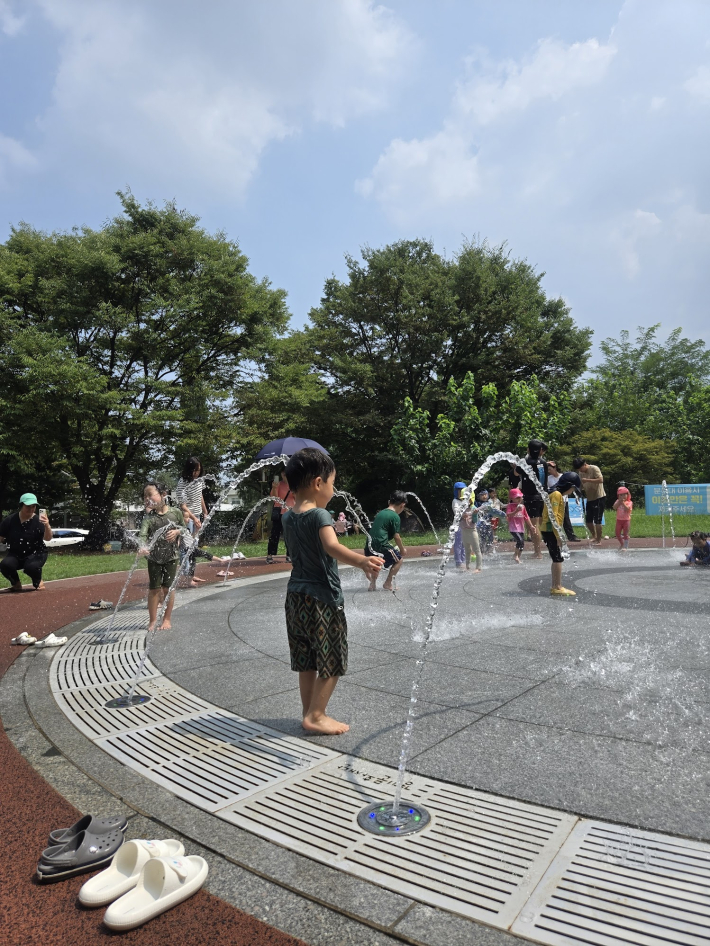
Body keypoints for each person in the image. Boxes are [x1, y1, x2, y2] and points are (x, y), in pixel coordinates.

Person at [281, 448, 382, 735]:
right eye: (332, 482)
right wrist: (362, 560)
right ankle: (316, 714)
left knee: (307, 659)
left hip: (295, 596)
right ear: (317, 483)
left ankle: (308, 711)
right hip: (322, 599)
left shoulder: (288, 518)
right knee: (333, 657)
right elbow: (331, 547)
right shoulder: (320, 515)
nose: (334, 489)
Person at [138, 483, 188, 631]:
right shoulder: (149, 517)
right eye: (145, 496)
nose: (147, 499)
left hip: (171, 557)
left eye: (150, 494)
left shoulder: (175, 512)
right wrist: (142, 546)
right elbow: (142, 534)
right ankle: (153, 620)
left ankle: (166, 619)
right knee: (154, 589)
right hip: (154, 558)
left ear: (163, 495)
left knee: (168, 588)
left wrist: (177, 532)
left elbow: (184, 528)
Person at [0, 493, 52, 591]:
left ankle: (38, 580)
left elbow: (48, 538)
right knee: (5, 565)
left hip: (37, 553)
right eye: (28, 506)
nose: (31, 509)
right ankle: (16, 584)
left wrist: (47, 525)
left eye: (33, 506)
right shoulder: (10, 520)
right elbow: (1, 537)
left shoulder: (39, 521)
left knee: (31, 567)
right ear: (21, 506)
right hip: (16, 553)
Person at [540, 472, 581, 596]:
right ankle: (557, 587)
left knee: (556, 558)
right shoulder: (556, 494)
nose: (572, 491)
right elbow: (554, 517)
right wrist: (559, 536)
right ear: (568, 485)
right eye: (573, 489)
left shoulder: (555, 493)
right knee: (558, 558)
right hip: (549, 530)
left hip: (549, 530)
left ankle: (555, 586)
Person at [510, 439, 549, 559]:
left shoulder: (526, 462)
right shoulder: (544, 462)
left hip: (531, 496)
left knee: (533, 525)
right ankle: (538, 551)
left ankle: (538, 552)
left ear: (528, 449)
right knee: (537, 524)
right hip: (541, 496)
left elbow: (516, 473)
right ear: (541, 450)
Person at [176, 457, 209, 584]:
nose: (197, 473)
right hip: (188, 518)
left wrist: (205, 512)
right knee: (186, 548)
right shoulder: (182, 482)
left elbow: (200, 496)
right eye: (194, 470)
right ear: (188, 470)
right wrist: (194, 518)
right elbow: (182, 505)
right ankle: (187, 577)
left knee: (194, 547)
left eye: (199, 470)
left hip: (197, 517)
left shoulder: (199, 480)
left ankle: (191, 575)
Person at [368, 490, 407, 591]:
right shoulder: (395, 516)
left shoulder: (381, 512)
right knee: (399, 560)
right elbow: (396, 536)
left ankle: (372, 584)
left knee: (376, 562)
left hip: (369, 544)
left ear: (389, 502)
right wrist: (402, 550)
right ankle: (388, 583)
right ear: (402, 505)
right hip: (381, 544)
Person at [573, 457, 606, 546]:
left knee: (597, 521)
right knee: (588, 521)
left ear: (585, 464)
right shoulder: (580, 472)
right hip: (590, 498)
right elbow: (580, 485)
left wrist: (587, 480)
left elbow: (601, 480)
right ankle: (594, 536)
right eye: (578, 469)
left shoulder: (594, 468)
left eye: (581, 468)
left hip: (599, 497)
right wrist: (578, 496)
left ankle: (599, 540)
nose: (580, 470)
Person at [547, 460, 580, 543]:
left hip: (564, 501)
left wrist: (577, 498)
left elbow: (573, 489)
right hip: (554, 501)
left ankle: (570, 536)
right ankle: (555, 536)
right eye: (548, 470)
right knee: (554, 517)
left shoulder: (563, 476)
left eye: (550, 469)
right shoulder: (548, 479)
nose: (549, 471)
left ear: (555, 468)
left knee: (565, 519)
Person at [267, 471, 295, 564]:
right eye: (283, 474)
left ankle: (289, 555)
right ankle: (270, 555)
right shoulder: (279, 484)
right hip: (279, 511)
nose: (285, 476)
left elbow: (297, 497)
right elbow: (274, 498)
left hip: (290, 511)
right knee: (275, 534)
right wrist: (274, 488)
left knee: (290, 534)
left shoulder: (295, 484)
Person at [505, 488, 538, 564]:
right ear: (512, 498)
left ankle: (518, 557)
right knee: (519, 540)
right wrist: (516, 511)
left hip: (521, 528)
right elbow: (508, 515)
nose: (519, 499)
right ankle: (515, 555)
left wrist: (531, 526)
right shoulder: (510, 506)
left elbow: (526, 517)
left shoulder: (522, 506)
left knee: (522, 544)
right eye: (517, 498)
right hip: (513, 528)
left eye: (520, 497)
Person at [460, 502, 482, 572]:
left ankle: (478, 568)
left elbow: (475, 521)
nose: (465, 501)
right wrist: (461, 516)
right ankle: (467, 566)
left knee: (477, 550)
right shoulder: (461, 508)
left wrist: (475, 514)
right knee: (467, 550)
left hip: (472, 531)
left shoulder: (473, 508)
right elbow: (457, 519)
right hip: (464, 531)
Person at [474, 489, 495, 554]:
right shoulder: (477, 503)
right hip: (480, 524)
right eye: (482, 495)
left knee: (491, 538)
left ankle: (487, 550)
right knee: (482, 538)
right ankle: (482, 551)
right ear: (478, 496)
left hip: (488, 523)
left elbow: (491, 512)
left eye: (485, 494)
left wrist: (493, 516)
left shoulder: (489, 503)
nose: (484, 496)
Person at [452, 481, 468, 567]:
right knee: (458, 544)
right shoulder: (455, 501)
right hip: (458, 525)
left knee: (464, 543)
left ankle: (464, 560)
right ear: (456, 491)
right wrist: (463, 514)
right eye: (459, 490)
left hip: (465, 525)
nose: (461, 492)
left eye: (463, 490)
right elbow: (456, 511)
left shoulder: (465, 501)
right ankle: (458, 562)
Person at [613, 486, 633, 551]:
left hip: (626, 520)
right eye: (621, 495)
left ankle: (625, 546)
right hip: (619, 520)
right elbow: (614, 507)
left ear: (628, 495)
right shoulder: (617, 501)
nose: (623, 496)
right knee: (617, 533)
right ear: (618, 496)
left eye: (625, 494)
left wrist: (623, 503)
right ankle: (622, 544)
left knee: (625, 534)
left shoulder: (629, 502)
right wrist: (619, 502)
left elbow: (627, 509)